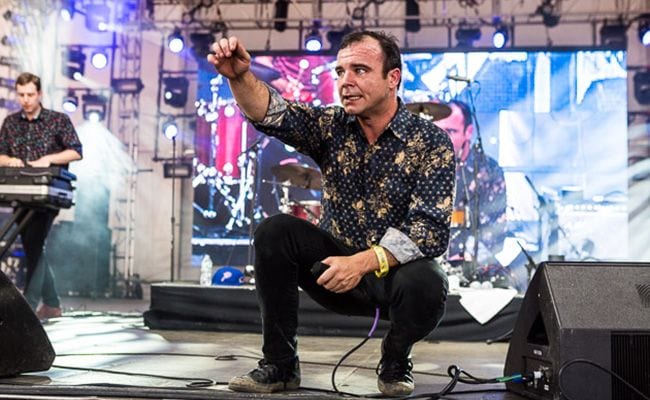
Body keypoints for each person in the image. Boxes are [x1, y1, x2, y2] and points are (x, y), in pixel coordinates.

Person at [207, 31, 455, 396]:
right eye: (340, 71)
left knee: (428, 281)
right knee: (275, 231)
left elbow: (430, 230)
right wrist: (239, 77)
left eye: (359, 70)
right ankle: (280, 364)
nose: (345, 82)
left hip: (394, 279)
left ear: (393, 78)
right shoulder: (332, 126)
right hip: (334, 273)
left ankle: (395, 358)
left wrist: (362, 262)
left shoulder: (431, 142)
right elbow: (273, 114)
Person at [0, 72, 82, 319]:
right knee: (32, 245)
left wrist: (49, 159)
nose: (25, 100)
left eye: (30, 94)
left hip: (48, 195)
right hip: (21, 192)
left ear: (40, 94)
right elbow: (0, 154)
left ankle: (29, 307)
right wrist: (9, 160)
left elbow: (76, 152)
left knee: (34, 242)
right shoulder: (11, 122)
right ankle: (52, 305)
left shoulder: (57, 120)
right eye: (21, 95)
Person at [434, 100, 507, 273]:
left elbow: (496, 230)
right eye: (439, 131)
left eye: (451, 131)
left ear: (468, 132)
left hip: (474, 264)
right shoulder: (424, 167)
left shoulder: (488, 170)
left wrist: (465, 257)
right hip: (429, 264)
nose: (443, 138)